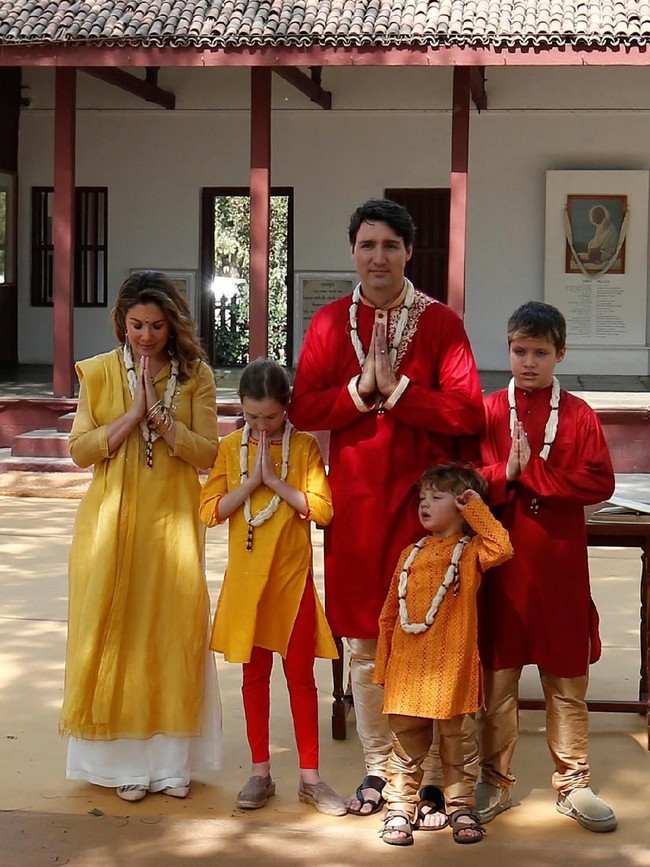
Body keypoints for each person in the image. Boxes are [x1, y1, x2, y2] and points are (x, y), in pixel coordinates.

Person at [289, 198, 485, 815]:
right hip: (355, 507)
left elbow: (465, 412)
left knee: (425, 635)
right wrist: (357, 392)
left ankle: (424, 771)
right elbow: (304, 407)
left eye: (390, 246)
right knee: (364, 640)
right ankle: (379, 767)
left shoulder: (441, 325)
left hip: (425, 509)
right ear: (353, 252)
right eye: (367, 245)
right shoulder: (327, 324)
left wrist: (398, 392)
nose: (379, 257)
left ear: (408, 252)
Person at [59, 270, 221, 802]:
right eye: (136, 326)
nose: (146, 336)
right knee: (117, 632)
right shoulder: (101, 373)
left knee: (171, 634)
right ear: (121, 324)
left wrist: (161, 418)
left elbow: (208, 455)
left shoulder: (194, 374)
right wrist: (130, 416)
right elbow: (80, 450)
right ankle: (122, 763)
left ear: (172, 325)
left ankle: (170, 762)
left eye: (156, 326)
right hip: (108, 524)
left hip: (171, 525)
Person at [475, 300, 618, 833]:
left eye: (539, 352)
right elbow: (466, 478)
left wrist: (532, 475)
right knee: (498, 681)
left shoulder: (579, 415)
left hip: (559, 567)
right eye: (519, 351)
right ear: (508, 350)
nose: (528, 362)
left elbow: (598, 482)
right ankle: (495, 777)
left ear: (561, 353)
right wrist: (501, 474)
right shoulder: (490, 410)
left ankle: (574, 780)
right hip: (504, 569)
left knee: (566, 679)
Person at [199, 359, 346, 817]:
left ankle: (310, 778)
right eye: (251, 417)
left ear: (287, 407)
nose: (261, 426)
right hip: (246, 586)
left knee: (301, 678)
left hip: (290, 583)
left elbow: (322, 511)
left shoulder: (303, 448)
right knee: (253, 676)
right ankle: (260, 771)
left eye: (271, 417)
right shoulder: (229, 449)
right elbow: (209, 511)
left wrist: (277, 482)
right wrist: (251, 484)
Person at [374, 463, 513, 847]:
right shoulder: (410, 552)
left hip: (451, 668)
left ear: (461, 507)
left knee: (459, 742)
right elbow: (389, 613)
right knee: (405, 744)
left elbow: (502, 546)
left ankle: (460, 805)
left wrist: (475, 507)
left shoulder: (469, 554)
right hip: (407, 668)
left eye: (437, 498)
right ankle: (400, 807)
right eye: (422, 498)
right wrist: (385, 664)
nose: (424, 505)